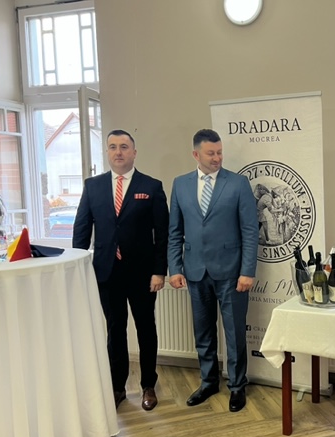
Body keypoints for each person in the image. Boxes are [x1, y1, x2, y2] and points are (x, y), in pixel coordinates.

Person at [73, 129, 169, 411]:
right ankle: (117, 387)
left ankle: (148, 384)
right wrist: (79, 268)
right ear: (107, 152)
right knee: (115, 330)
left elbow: (162, 234)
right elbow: (81, 230)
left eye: (124, 147)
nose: (118, 152)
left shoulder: (151, 186)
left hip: (142, 274)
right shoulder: (93, 186)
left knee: (145, 328)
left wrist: (159, 271)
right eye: (113, 147)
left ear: (134, 152)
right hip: (107, 272)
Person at [168, 128, 257, 413]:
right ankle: (208, 382)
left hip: (232, 273)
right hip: (195, 272)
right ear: (196, 154)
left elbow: (250, 231)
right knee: (203, 333)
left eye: (219, 152)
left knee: (234, 333)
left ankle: (237, 386)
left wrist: (247, 271)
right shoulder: (180, 184)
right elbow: (174, 231)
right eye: (211, 153)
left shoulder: (238, 183)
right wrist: (175, 267)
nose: (217, 158)